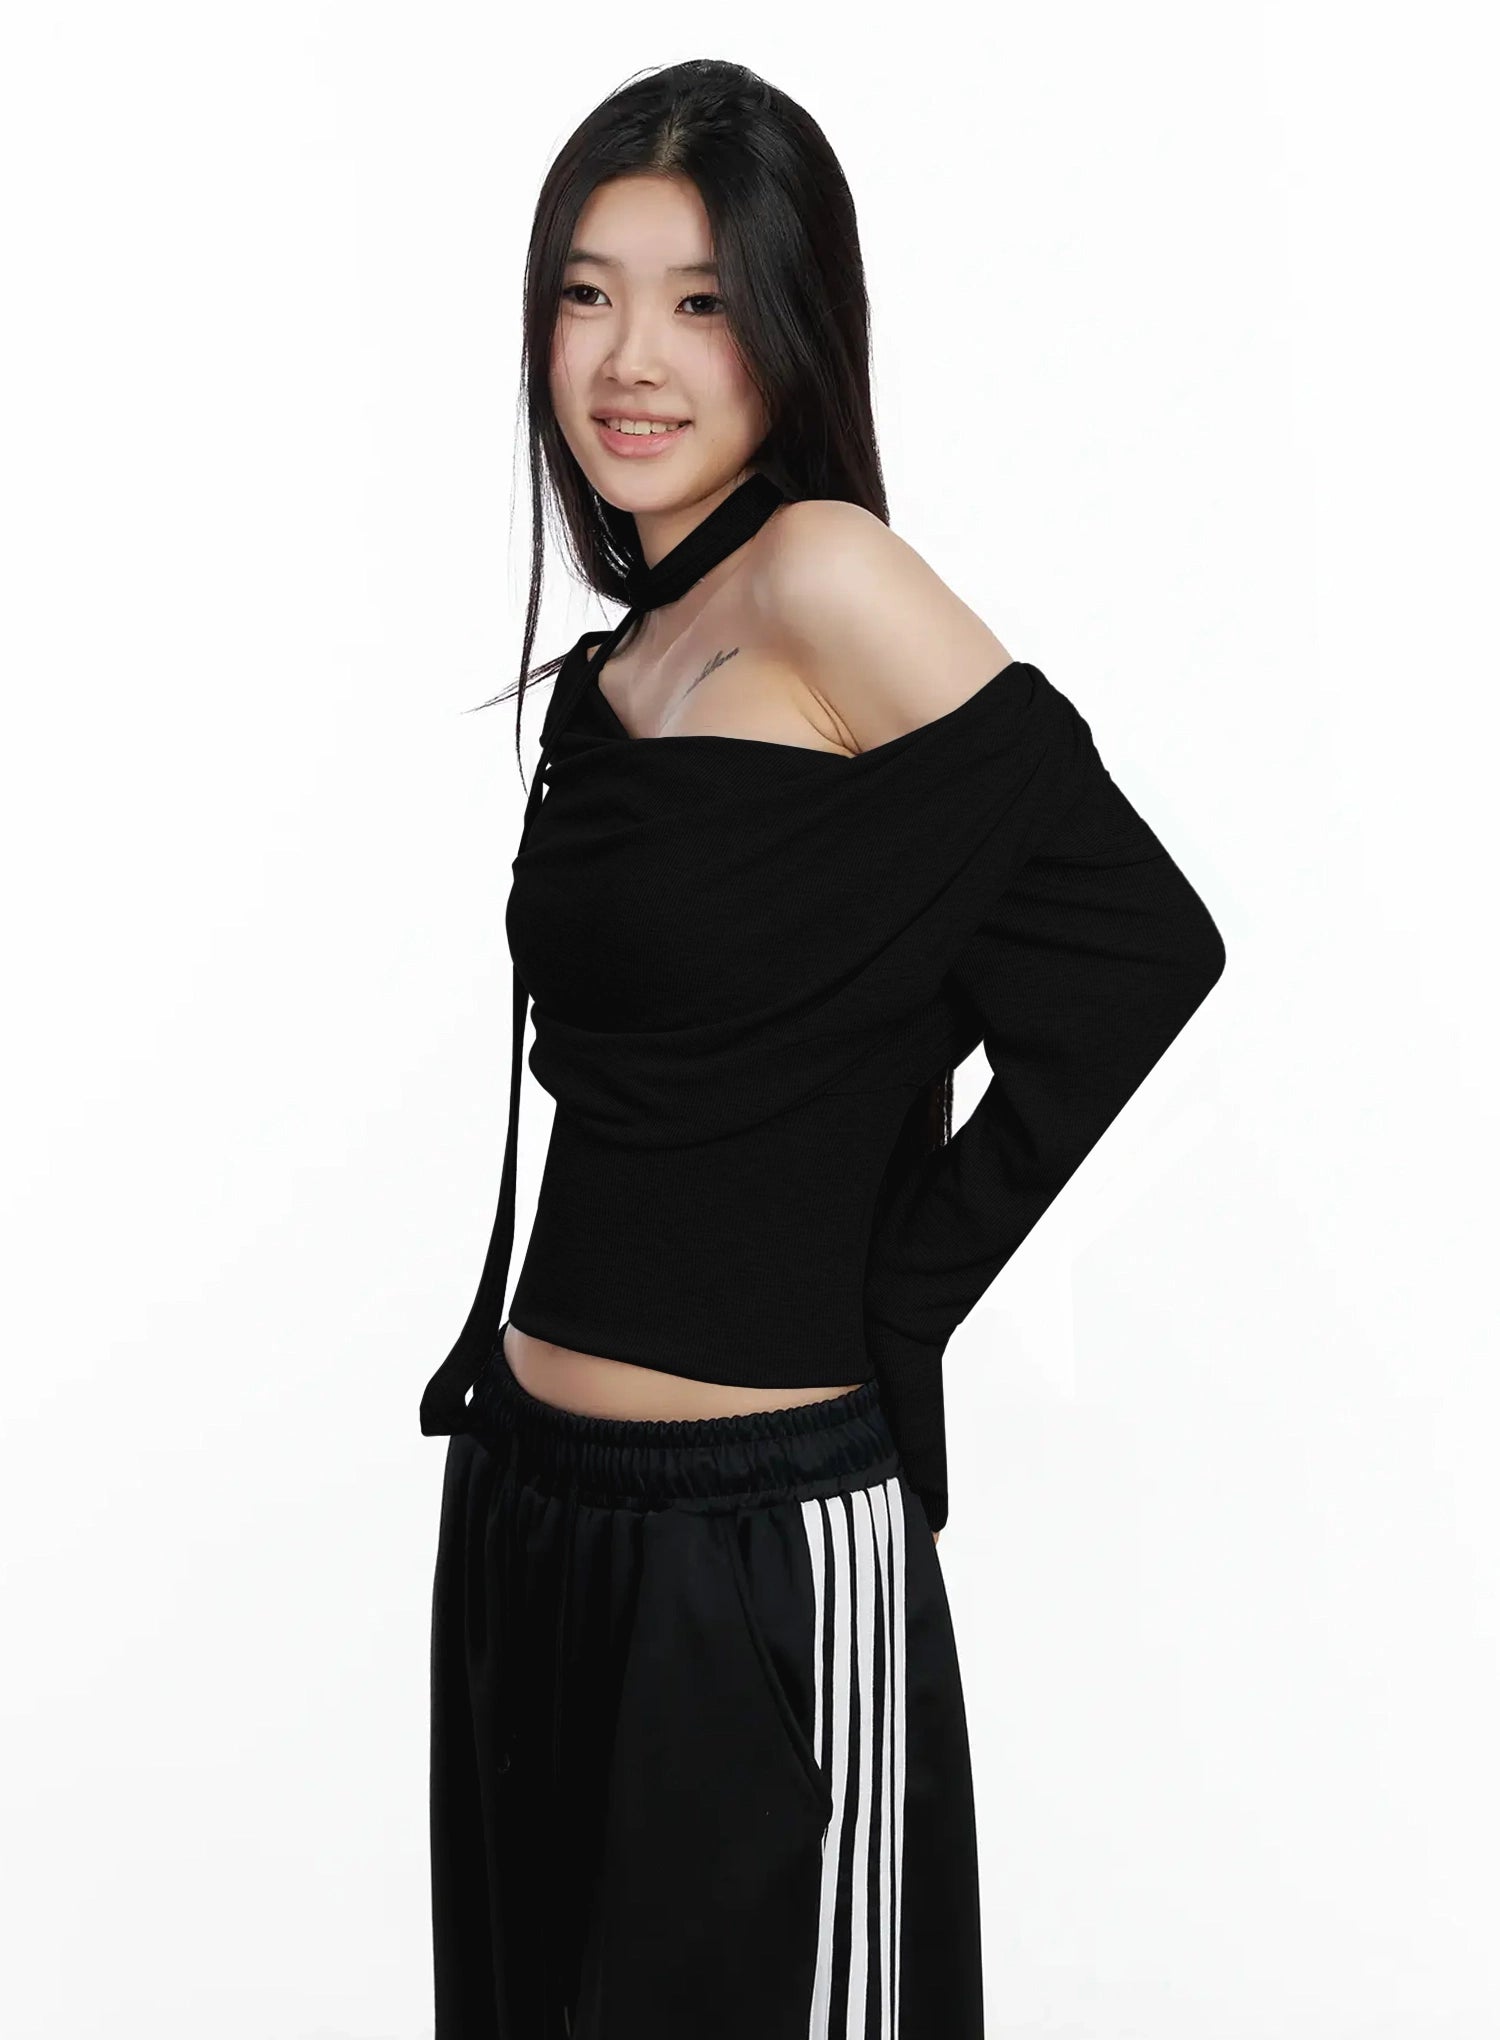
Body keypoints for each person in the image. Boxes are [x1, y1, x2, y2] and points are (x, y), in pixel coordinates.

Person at [421, 59, 1226, 2040]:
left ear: (789, 324)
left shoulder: (828, 578)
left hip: (756, 1542)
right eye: (587, 292)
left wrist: (899, 1299)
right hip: (530, 1512)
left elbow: (1137, 949)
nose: (628, 358)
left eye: (698, 301)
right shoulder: (624, 665)